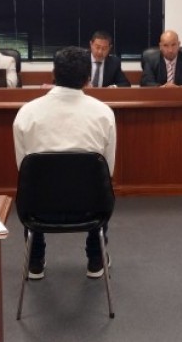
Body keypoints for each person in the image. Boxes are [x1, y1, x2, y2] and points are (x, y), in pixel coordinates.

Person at [13, 46, 117, 280]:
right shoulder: (104, 113)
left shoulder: (27, 113)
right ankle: (96, 258)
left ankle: (35, 261)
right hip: (91, 207)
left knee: (33, 187)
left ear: (53, 74)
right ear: (88, 78)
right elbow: (107, 170)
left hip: (38, 208)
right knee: (98, 186)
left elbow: (23, 169)